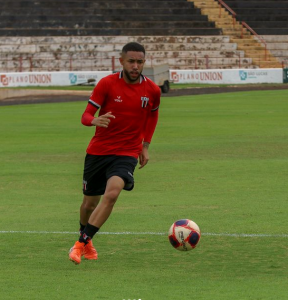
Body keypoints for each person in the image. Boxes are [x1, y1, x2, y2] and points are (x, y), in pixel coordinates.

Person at [69, 42, 161, 264]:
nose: (135, 66)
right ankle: (86, 238)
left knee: (112, 193)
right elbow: (85, 115)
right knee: (89, 204)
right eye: (131, 61)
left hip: (127, 152)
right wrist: (94, 120)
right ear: (121, 61)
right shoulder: (107, 84)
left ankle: (80, 243)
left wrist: (145, 146)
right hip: (98, 152)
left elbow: (152, 116)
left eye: (140, 62)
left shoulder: (152, 90)